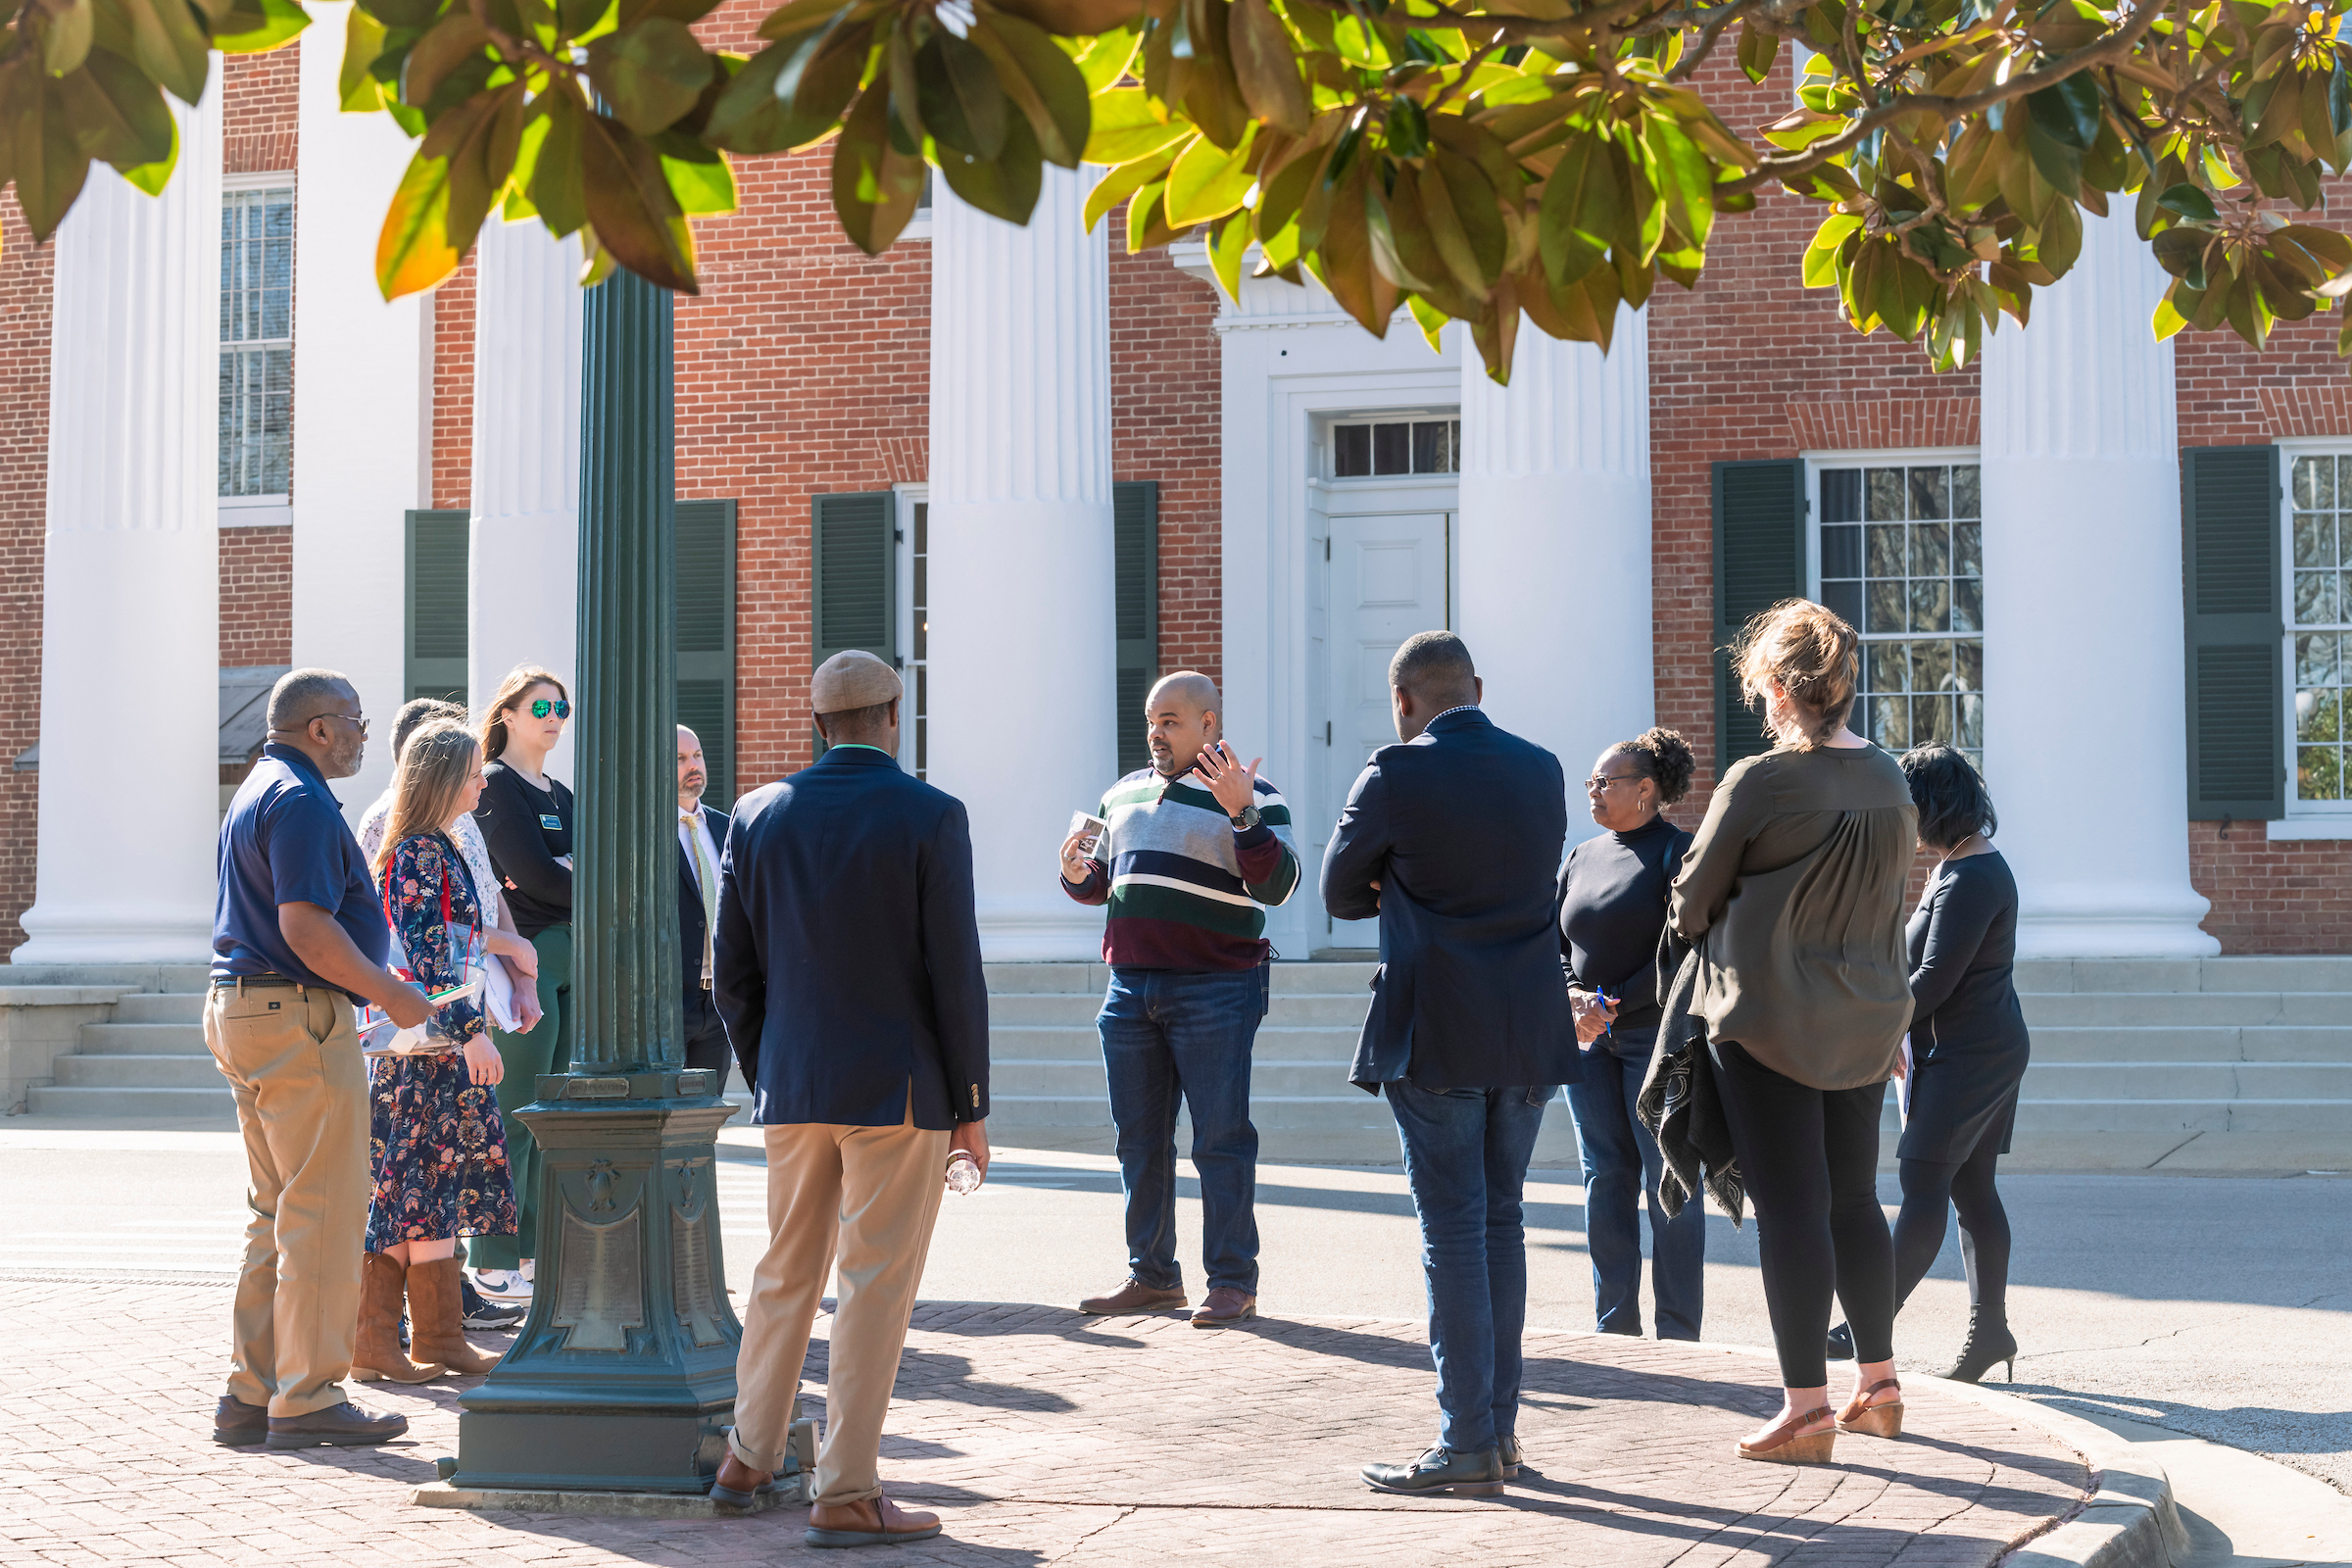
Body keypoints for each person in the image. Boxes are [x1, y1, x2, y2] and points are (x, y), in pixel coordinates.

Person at [707, 650, 991, 1548]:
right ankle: (848, 1490)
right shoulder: (931, 815)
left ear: (817, 722)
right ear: (893, 716)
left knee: (784, 1271)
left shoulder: (753, 814)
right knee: (874, 1288)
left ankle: (747, 1455)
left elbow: (732, 976)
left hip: (794, 1081)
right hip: (898, 1087)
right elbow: (958, 976)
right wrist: (971, 1105)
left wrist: (771, 1071)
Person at [1321, 631, 1581, 1498]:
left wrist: (1398, 888)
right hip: (1527, 1026)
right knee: (1500, 1223)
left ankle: (1467, 1440)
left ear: (1404, 702)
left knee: (1454, 1234)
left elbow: (1333, 893)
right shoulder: (1543, 768)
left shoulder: (1394, 773)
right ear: (1477, 686)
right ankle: (1500, 1435)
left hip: (1436, 1025)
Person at [1669, 598, 1916, 1464]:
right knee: (1854, 1200)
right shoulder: (1891, 778)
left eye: (1760, 688)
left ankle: (1806, 1407)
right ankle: (1878, 1386)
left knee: (1791, 1210)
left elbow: (1692, 900)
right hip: (1866, 1017)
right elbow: (1895, 905)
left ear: (1778, 685)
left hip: (1770, 1016)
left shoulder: (1762, 780)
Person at [205, 668, 433, 1451]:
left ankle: (253, 1390)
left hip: (248, 1008)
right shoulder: (298, 800)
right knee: (325, 1212)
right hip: (296, 1013)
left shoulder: (259, 787)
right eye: (356, 722)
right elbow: (304, 926)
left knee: (277, 1212)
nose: (366, 735)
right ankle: (306, 1398)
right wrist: (390, 995)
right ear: (319, 729)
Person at [1057, 671, 1301, 1327]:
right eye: (1150, 720)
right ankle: (1153, 1276)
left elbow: (1279, 887)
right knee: (1138, 1140)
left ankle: (1231, 1281)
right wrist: (1074, 874)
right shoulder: (1122, 794)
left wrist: (1242, 815)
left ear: (1208, 726)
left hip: (1216, 989)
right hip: (1130, 989)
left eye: (1169, 720)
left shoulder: (1257, 798)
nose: (1155, 732)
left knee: (1220, 1139)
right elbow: (1106, 883)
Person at [1829, 742, 2029, 1384]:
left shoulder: (1972, 877)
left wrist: (1877, 1034)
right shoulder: (1958, 866)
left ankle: (1866, 1324)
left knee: (1922, 1182)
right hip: (1970, 1047)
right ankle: (1989, 1333)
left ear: (1932, 805)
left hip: (1969, 1055)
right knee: (1970, 1190)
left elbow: (1935, 980)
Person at [357, 719, 517, 1383]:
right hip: (424, 1051)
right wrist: (471, 1032)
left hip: (432, 1047)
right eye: (475, 771)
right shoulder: (420, 851)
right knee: (407, 1188)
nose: (484, 781)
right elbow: (431, 955)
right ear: (445, 779)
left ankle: (438, 1336)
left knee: (429, 1189)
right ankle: (376, 1342)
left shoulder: (434, 846)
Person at [1558, 728, 1706, 1343]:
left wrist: (1611, 1004)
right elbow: (1554, 940)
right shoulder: (1582, 855)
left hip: (1657, 1041)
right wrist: (1572, 996)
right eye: (1591, 780)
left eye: (1605, 781)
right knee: (1604, 1177)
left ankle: (1678, 1334)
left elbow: (1689, 949)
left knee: (1667, 1179)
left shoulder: (1679, 852)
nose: (1592, 790)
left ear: (1646, 790)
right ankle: (1614, 1325)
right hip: (1587, 1039)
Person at [467, 665, 574, 1302]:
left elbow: (564, 873)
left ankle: (530, 1254)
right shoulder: (497, 786)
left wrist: (565, 871)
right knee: (511, 1113)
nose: (555, 717)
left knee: (547, 1119)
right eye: (541, 708)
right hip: (524, 960)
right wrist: (568, 871)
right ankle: (491, 1259)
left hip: (568, 953)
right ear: (507, 714)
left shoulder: (560, 793)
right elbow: (535, 876)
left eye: (561, 707)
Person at [676, 723, 733, 1080]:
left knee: (708, 1118)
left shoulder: (727, 827)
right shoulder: (645, 833)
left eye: (697, 755)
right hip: (667, 1005)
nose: (693, 765)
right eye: (680, 758)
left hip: (720, 1004)